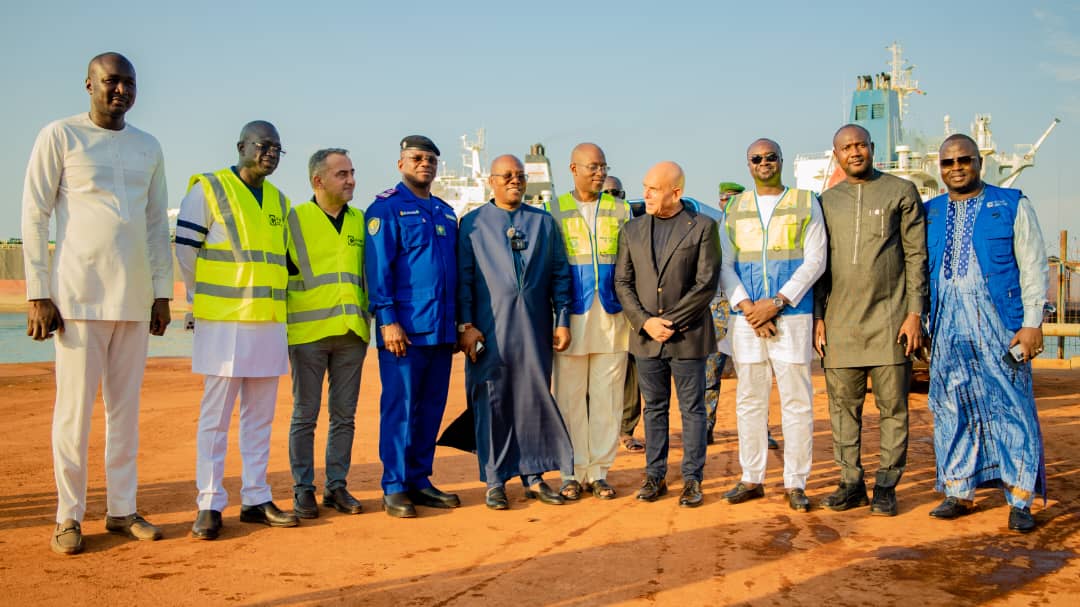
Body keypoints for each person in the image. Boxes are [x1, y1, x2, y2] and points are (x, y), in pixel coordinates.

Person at [22, 52, 172, 554]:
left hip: (134, 299)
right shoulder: (60, 135)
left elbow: (156, 223)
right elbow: (35, 213)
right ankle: (68, 516)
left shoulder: (148, 146)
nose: (121, 90)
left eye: (129, 83)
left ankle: (122, 510)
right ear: (89, 84)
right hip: (76, 299)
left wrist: (162, 292)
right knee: (74, 414)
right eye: (111, 81)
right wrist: (38, 292)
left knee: (124, 412)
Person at [176, 120, 299, 539]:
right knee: (216, 418)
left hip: (267, 323)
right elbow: (186, 253)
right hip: (224, 322)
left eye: (277, 149)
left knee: (260, 418)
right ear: (241, 146)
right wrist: (200, 300)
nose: (270, 154)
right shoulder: (209, 189)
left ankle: (256, 497)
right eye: (263, 146)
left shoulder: (280, 201)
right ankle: (209, 502)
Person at [924, 134, 1048, 533]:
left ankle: (1020, 498)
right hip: (947, 325)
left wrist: (1032, 323)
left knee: (1010, 404)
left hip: (1000, 324)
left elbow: (1033, 266)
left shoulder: (1012, 204)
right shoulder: (930, 212)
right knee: (951, 404)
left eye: (964, 159)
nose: (956, 167)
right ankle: (958, 490)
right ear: (939, 168)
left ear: (979, 162)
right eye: (948, 162)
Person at [814, 124, 928, 517]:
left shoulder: (901, 192)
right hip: (840, 324)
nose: (854, 152)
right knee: (842, 409)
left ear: (872, 147)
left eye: (860, 145)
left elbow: (916, 257)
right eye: (846, 147)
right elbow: (819, 266)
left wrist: (914, 314)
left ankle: (886, 486)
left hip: (890, 321)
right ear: (837, 156)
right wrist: (818, 317)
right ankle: (851, 484)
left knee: (893, 408)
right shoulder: (826, 202)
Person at [457, 154, 575, 510]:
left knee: (532, 399)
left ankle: (534, 476)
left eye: (520, 175)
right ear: (491, 181)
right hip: (489, 330)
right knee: (491, 401)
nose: (515, 180)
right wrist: (465, 326)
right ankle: (495, 480)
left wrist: (563, 319)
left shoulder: (543, 223)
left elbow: (560, 274)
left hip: (534, 329)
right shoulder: (473, 224)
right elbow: (463, 280)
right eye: (507, 175)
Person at [718, 140, 826, 512]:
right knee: (749, 401)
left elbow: (816, 260)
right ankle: (752, 477)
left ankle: (796, 482)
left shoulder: (805, 202)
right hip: (747, 320)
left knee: (797, 402)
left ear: (780, 161)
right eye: (756, 159)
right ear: (748, 165)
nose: (764, 163)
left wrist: (776, 303)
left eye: (770, 157)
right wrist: (749, 308)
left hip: (791, 316)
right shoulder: (735, 207)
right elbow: (724, 264)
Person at [614, 161, 720, 508]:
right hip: (646, 339)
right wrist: (646, 322)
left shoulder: (703, 227)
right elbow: (623, 282)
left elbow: (706, 284)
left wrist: (669, 322)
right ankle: (654, 476)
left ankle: (692, 479)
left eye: (654, 189)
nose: (645, 194)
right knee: (654, 409)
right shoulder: (632, 230)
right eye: (645, 186)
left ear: (676, 192)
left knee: (692, 409)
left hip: (687, 336)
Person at [365, 136, 460, 518]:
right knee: (400, 409)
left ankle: (420, 479)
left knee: (431, 408)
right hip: (403, 331)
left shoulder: (444, 212)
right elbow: (378, 269)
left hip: (440, 329)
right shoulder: (386, 209)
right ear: (401, 163)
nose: (425, 164)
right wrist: (387, 320)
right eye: (417, 158)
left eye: (431, 159)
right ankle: (395, 485)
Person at [285, 149, 369, 518]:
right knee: (305, 415)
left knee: (344, 416)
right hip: (308, 333)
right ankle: (303, 489)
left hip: (352, 332)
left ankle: (336, 486)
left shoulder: (361, 221)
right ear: (318, 180)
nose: (351, 180)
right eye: (342, 174)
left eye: (351, 172)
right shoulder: (293, 219)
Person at [547, 144, 631, 501]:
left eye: (603, 167)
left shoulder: (621, 209)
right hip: (570, 317)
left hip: (612, 315)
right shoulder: (553, 210)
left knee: (607, 398)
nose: (599, 173)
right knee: (569, 398)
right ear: (573, 169)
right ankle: (571, 470)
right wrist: (557, 317)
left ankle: (598, 472)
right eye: (592, 167)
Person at [605, 175, 646, 454]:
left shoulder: (635, 226)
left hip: (630, 307)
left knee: (632, 370)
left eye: (617, 193)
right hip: (598, 308)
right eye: (607, 193)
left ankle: (627, 430)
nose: (612, 198)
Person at [705, 181, 741, 446]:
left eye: (733, 199)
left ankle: (761, 430)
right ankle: (706, 427)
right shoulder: (711, 230)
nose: (728, 203)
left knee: (752, 373)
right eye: (724, 199)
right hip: (715, 312)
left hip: (744, 310)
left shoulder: (752, 229)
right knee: (709, 375)